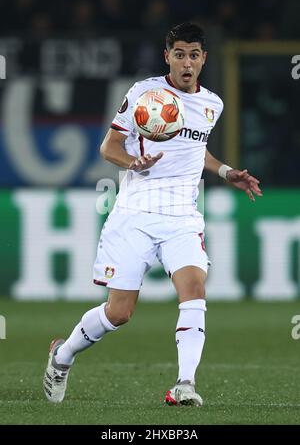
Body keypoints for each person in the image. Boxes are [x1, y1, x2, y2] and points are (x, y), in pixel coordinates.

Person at [43, 22, 262, 406]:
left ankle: (184, 385)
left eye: (194, 54)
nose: (187, 63)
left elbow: (198, 150)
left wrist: (227, 172)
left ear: (204, 58)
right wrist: (134, 162)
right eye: (179, 54)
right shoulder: (145, 94)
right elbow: (108, 148)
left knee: (194, 289)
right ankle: (61, 356)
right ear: (168, 57)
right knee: (120, 313)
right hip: (135, 214)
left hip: (182, 216)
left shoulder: (212, 104)